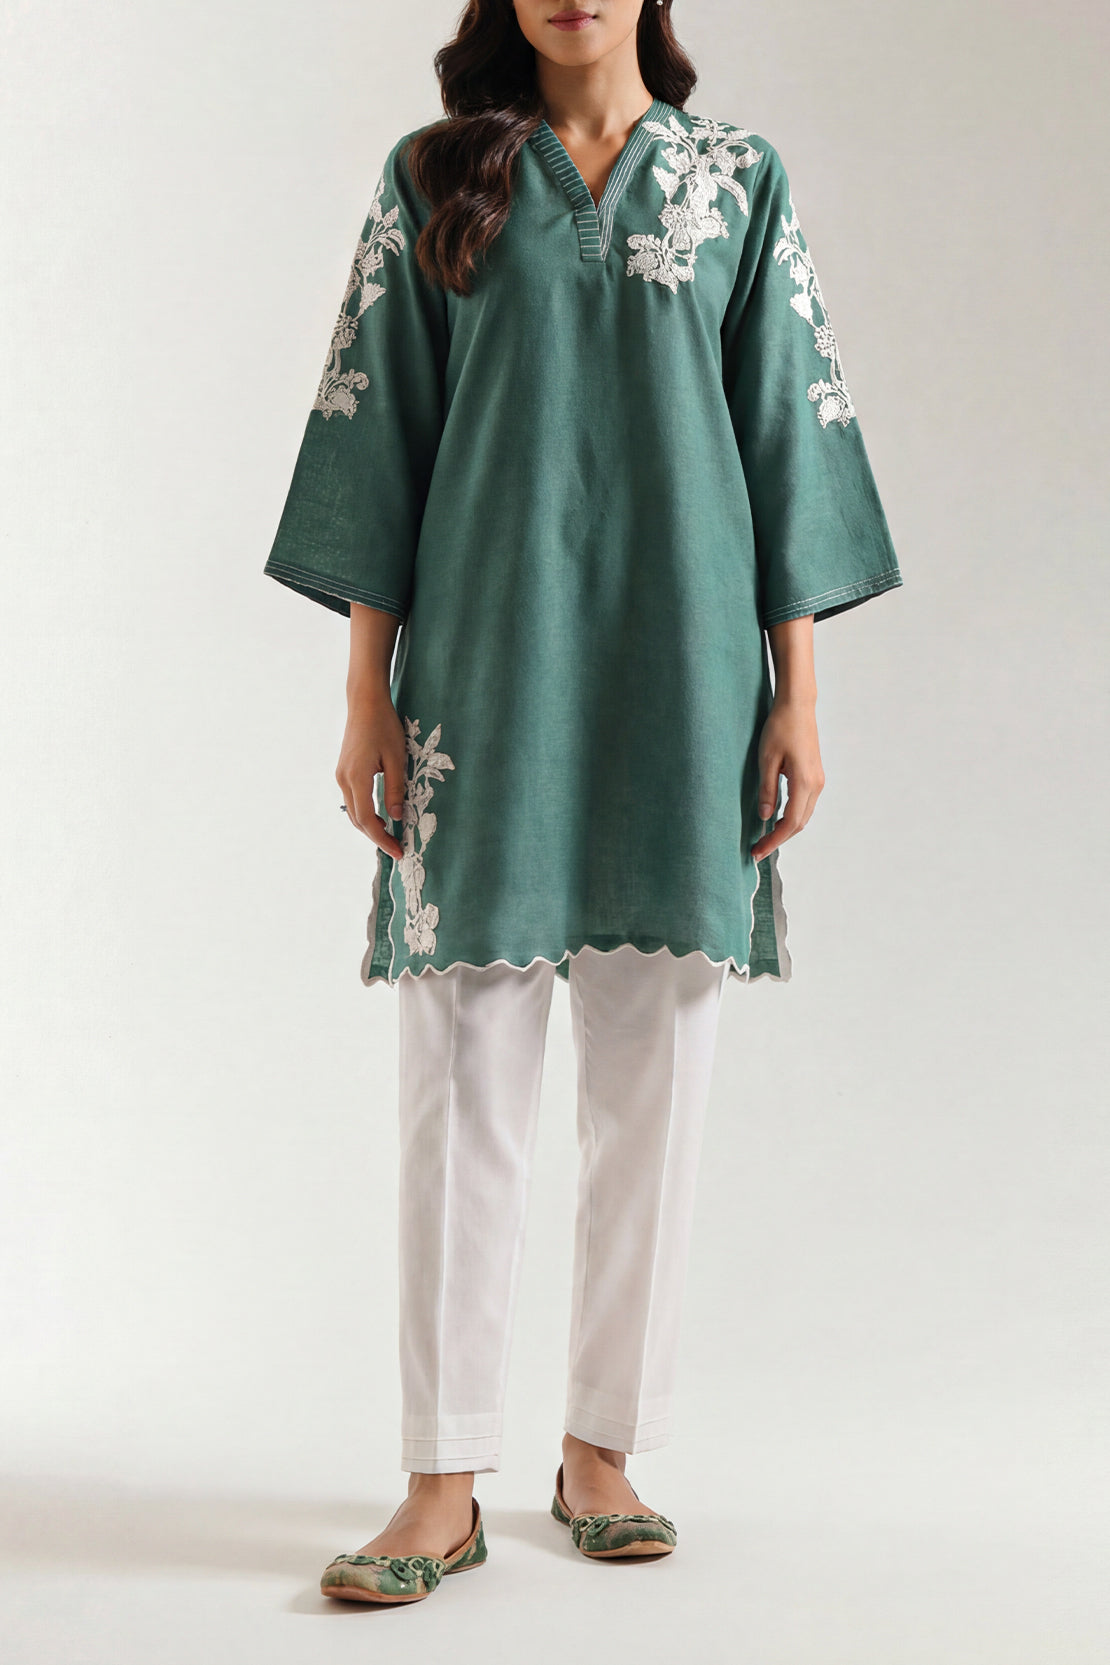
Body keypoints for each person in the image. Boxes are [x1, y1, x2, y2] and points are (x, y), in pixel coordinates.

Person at [264, 0, 903, 1607]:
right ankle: (441, 1478)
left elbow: (786, 434)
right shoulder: (438, 178)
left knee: (655, 1075)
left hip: (685, 678)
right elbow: (381, 437)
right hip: (484, 674)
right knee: (460, 1074)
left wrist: (796, 693)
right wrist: (364, 691)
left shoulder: (737, 180)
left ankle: (603, 1447)